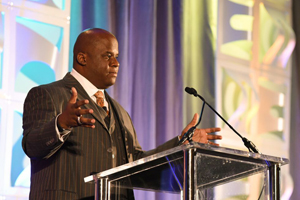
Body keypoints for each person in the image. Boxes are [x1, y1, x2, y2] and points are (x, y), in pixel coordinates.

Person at [22, 28, 222, 200]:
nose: (116, 63)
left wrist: (181, 143)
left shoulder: (120, 112)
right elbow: (31, 146)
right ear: (82, 58)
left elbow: (136, 164)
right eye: (108, 55)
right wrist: (61, 124)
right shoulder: (47, 94)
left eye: (117, 56)